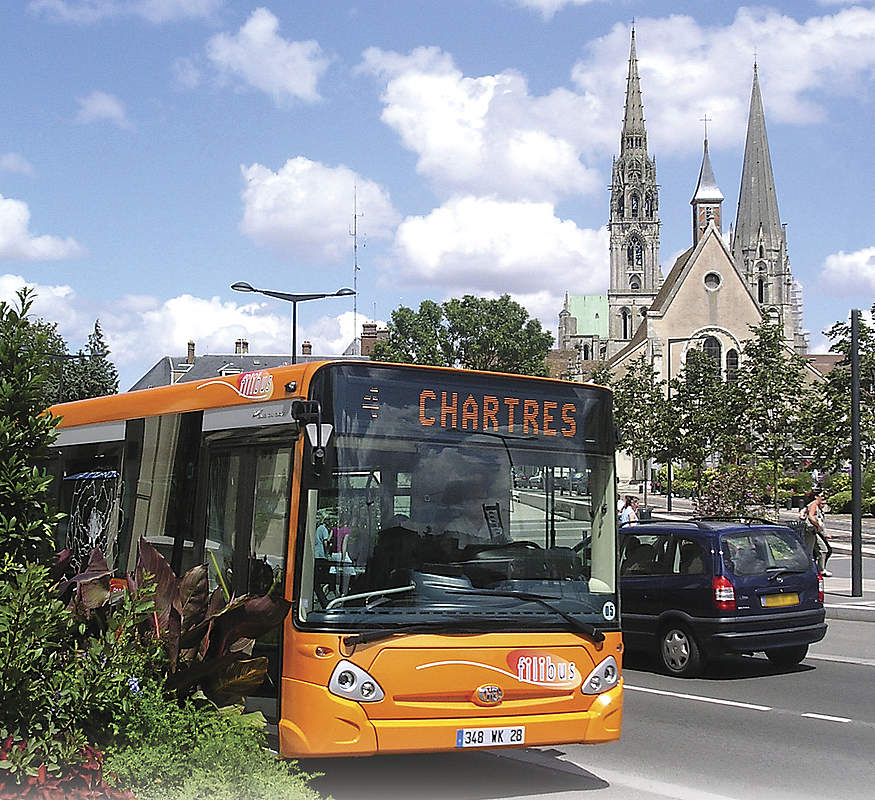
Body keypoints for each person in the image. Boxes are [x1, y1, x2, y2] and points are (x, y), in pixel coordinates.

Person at [802, 490, 832, 576]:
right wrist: (818, 526)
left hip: (814, 531)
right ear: (816, 497)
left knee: (823, 549)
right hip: (811, 530)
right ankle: (808, 569)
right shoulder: (814, 504)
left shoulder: (816, 505)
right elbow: (811, 516)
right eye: (821, 496)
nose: (822, 498)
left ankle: (820, 569)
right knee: (809, 550)